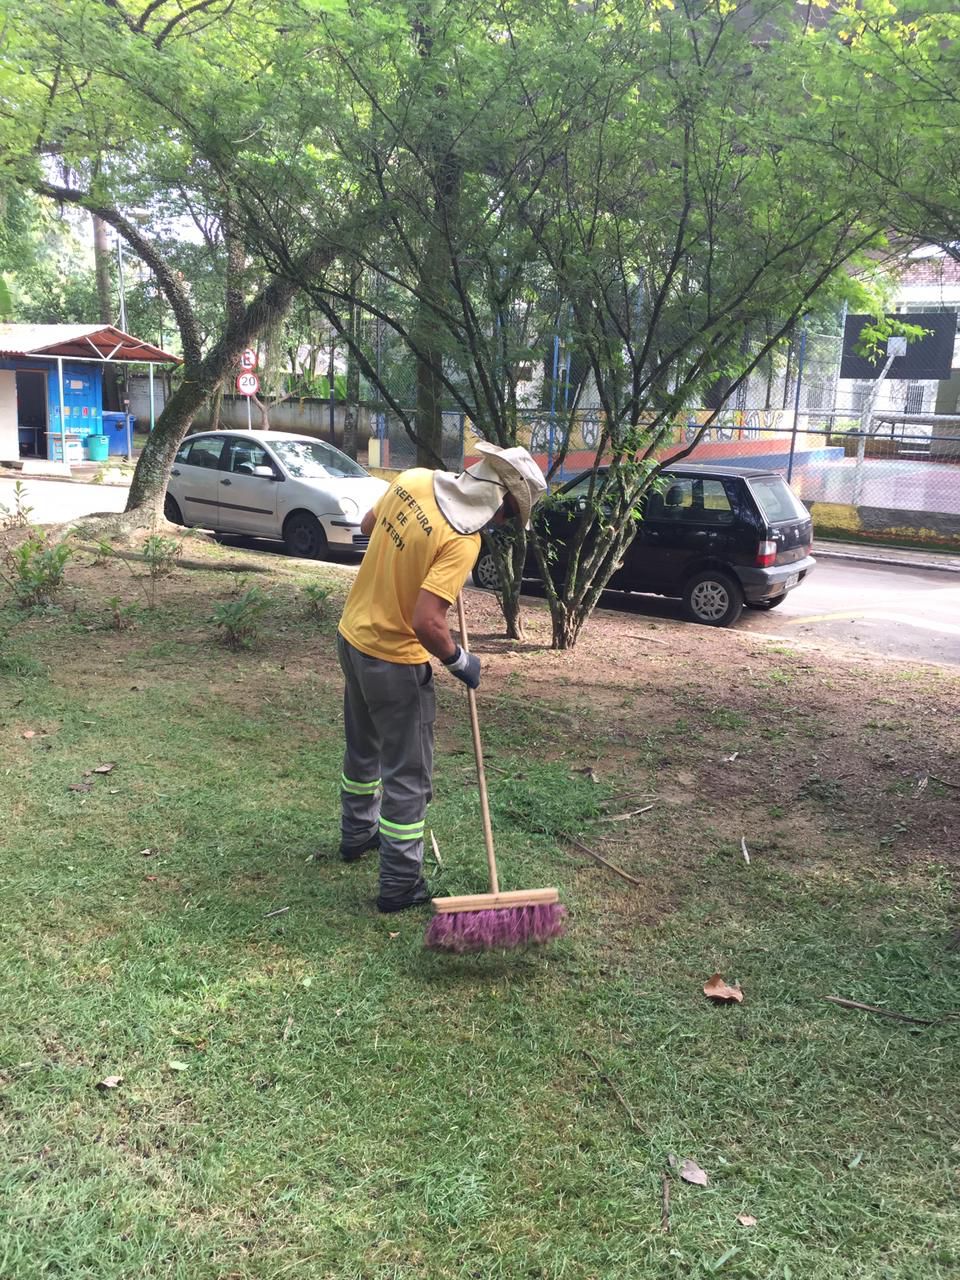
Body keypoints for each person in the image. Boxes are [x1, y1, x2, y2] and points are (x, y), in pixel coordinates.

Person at [334, 443, 547, 912]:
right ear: (499, 501)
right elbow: (427, 623)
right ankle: (399, 883)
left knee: (363, 747)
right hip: (394, 664)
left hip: (352, 638)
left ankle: (356, 833)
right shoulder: (462, 541)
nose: (503, 525)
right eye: (510, 517)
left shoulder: (413, 479)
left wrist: (415, 558)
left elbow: (369, 526)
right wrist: (459, 661)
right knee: (408, 776)